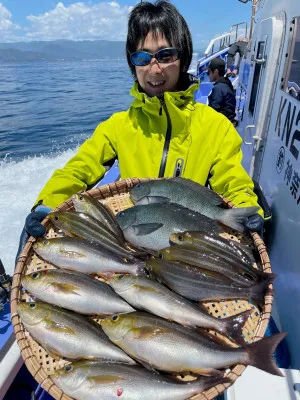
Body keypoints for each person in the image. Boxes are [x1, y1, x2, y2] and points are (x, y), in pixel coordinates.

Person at [16, 0, 264, 263]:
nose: (154, 69)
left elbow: (233, 181)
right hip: (132, 245)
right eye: (143, 57)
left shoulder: (216, 127)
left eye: (165, 55)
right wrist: (47, 202)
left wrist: (250, 209)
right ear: (132, 62)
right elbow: (80, 168)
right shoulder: (118, 125)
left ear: (183, 58)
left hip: (186, 246)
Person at [207, 58, 237, 124]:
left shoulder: (218, 88)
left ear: (216, 72)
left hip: (223, 123)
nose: (208, 75)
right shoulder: (226, 82)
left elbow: (213, 111)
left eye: (208, 72)